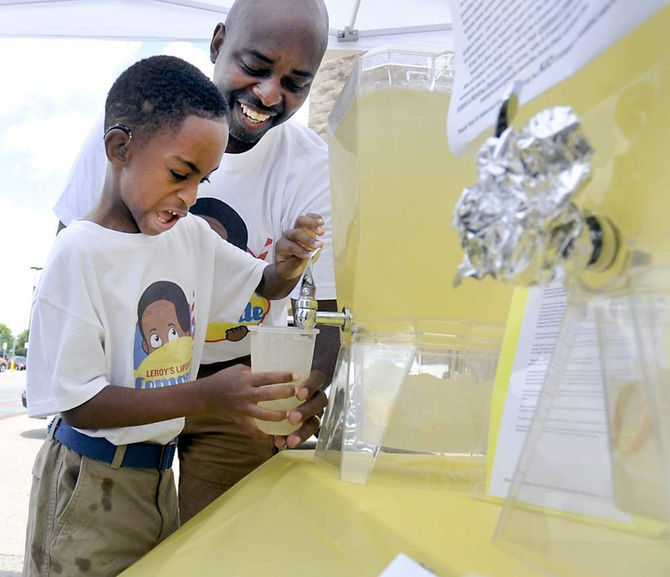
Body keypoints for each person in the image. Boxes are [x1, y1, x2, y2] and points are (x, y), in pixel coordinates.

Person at [23, 55, 325, 577]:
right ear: (120, 149)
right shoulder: (80, 253)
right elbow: (79, 405)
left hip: (158, 481)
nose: (188, 198)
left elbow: (264, 286)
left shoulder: (192, 238)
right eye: (179, 174)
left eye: (203, 182)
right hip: (91, 484)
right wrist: (205, 396)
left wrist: (288, 264)